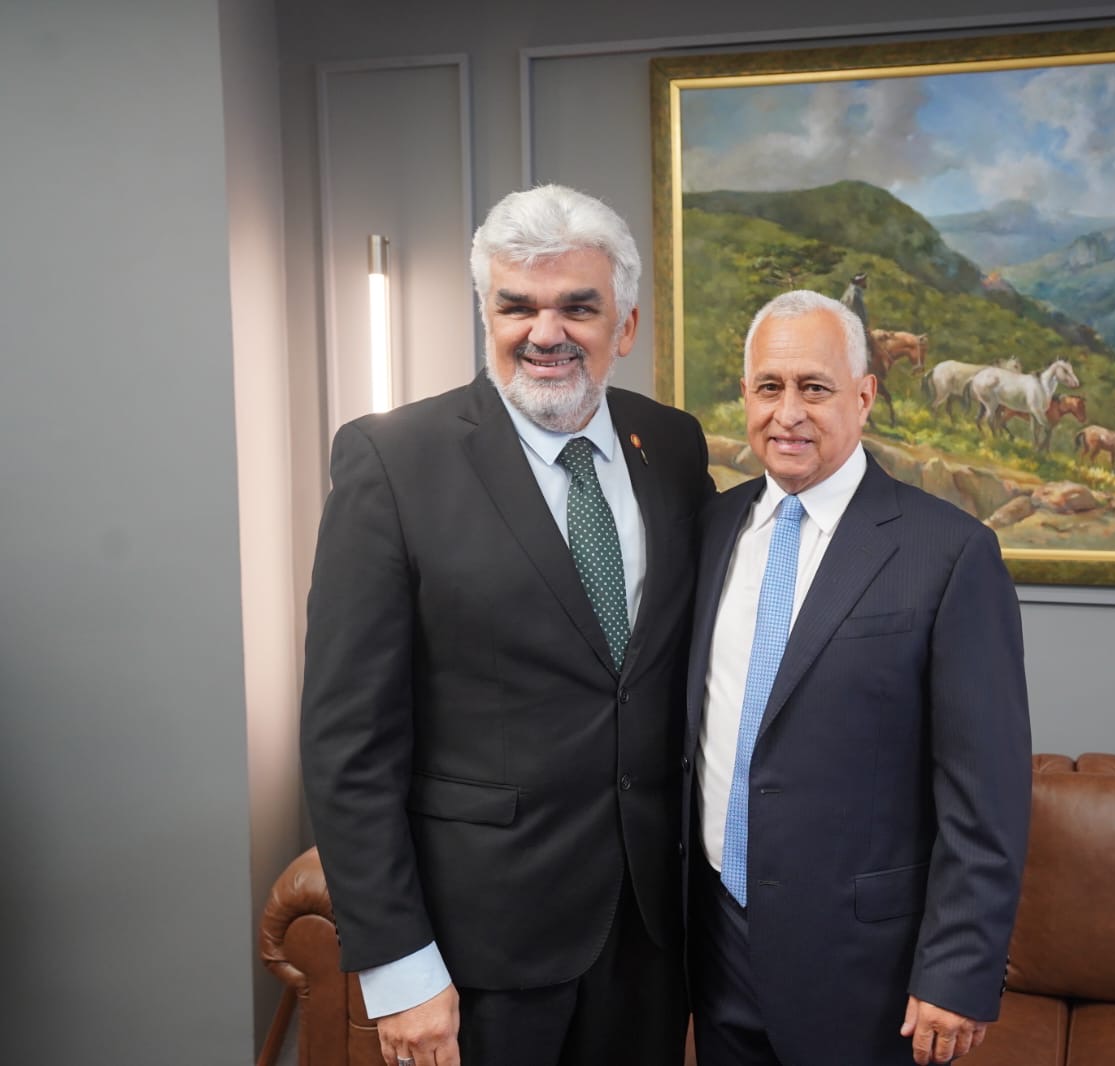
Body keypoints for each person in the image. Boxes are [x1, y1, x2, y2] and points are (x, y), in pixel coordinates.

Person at [301, 184, 713, 1066]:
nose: (544, 333)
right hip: (475, 954)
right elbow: (347, 744)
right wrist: (400, 969)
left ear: (626, 325)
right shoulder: (391, 461)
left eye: (577, 307)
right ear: (486, 315)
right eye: (517, 306)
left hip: (648, 941)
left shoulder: (674, 447)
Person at [685, 289, 1032, 1066]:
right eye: (769, 387)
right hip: (713, 946)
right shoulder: (708, 530)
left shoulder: (950, 553)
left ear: (865, 395)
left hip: (866, 968)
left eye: (815, 387)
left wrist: (958, 971)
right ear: (745, 396)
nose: (789, 413)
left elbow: (988, 792)